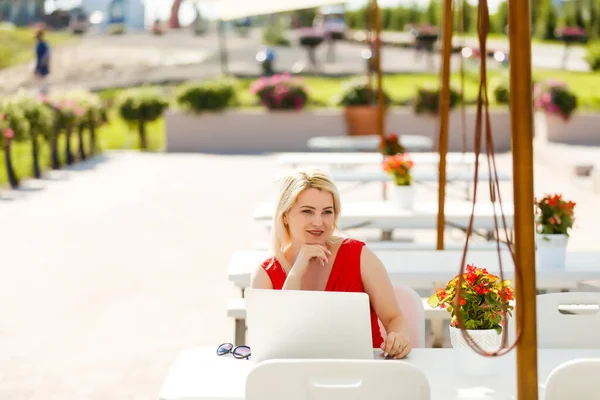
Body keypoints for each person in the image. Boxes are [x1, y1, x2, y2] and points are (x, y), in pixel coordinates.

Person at [250, 170, 412, 359]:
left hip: (364, 372)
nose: (318, 222)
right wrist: (295, 273)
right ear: (285, 215)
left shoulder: (359, 256)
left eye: (327, 212)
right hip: (294, 377)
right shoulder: (264, 274)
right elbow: (273, 345)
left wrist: (399, 337)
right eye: (307, 211)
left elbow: (394, 318)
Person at [34, 28, 50, 94]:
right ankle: (42, 89)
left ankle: (43, 89)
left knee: (41, 76)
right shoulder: (39, 44)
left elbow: (46, 54)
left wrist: (43, 62)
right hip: (39, 62)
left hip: (42, 62)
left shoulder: (42, 44)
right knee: (39, 76)